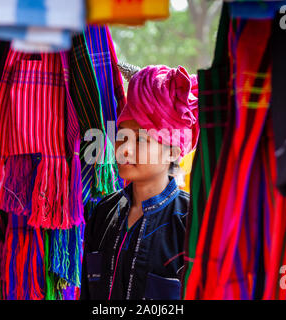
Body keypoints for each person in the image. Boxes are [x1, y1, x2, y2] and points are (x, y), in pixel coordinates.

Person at [80, 64, 199, 300]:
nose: (124, 148)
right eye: (122, 135)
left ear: (174, 151)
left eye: (140, 139)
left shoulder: (193, 221)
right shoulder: (102, 213)